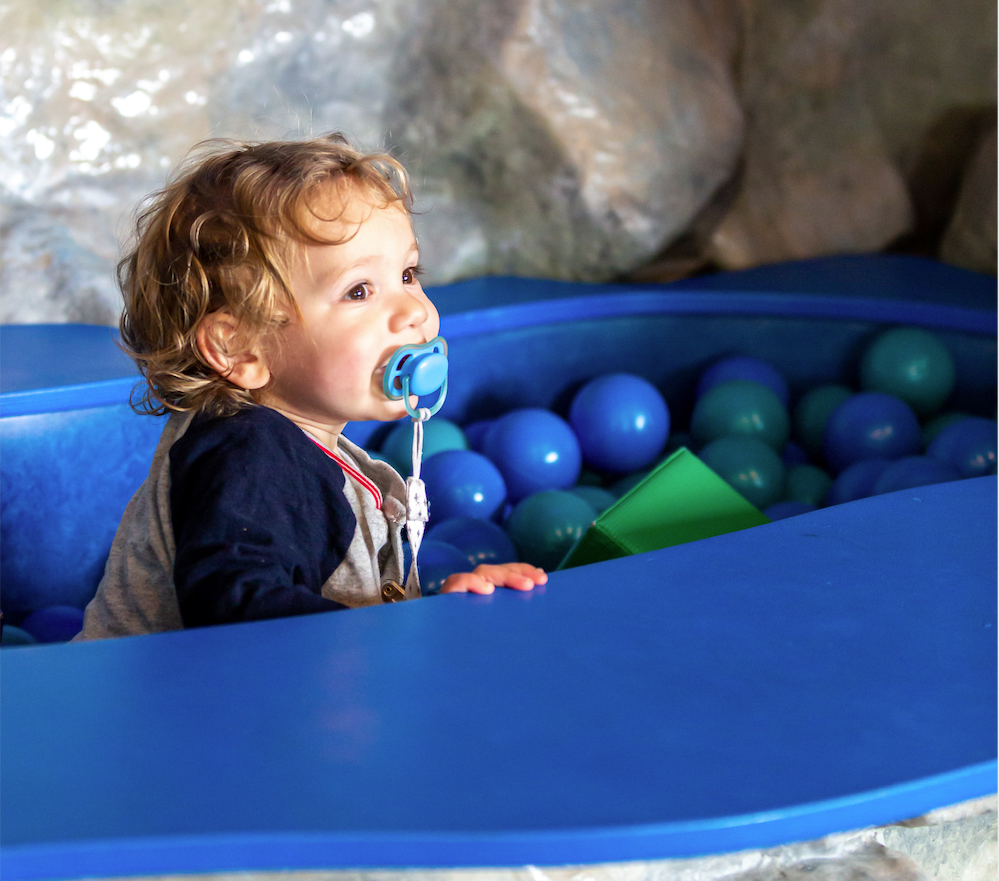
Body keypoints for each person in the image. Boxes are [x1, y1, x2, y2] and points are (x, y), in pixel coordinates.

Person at [77, 133, 546, 640]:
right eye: (359, 291)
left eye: (408, 274)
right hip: (169, 713)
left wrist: (432, 611)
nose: (414, 310)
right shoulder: (247, 453)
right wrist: (404, 641)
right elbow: (234, 608)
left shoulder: (300, 442)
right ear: (241, 350)